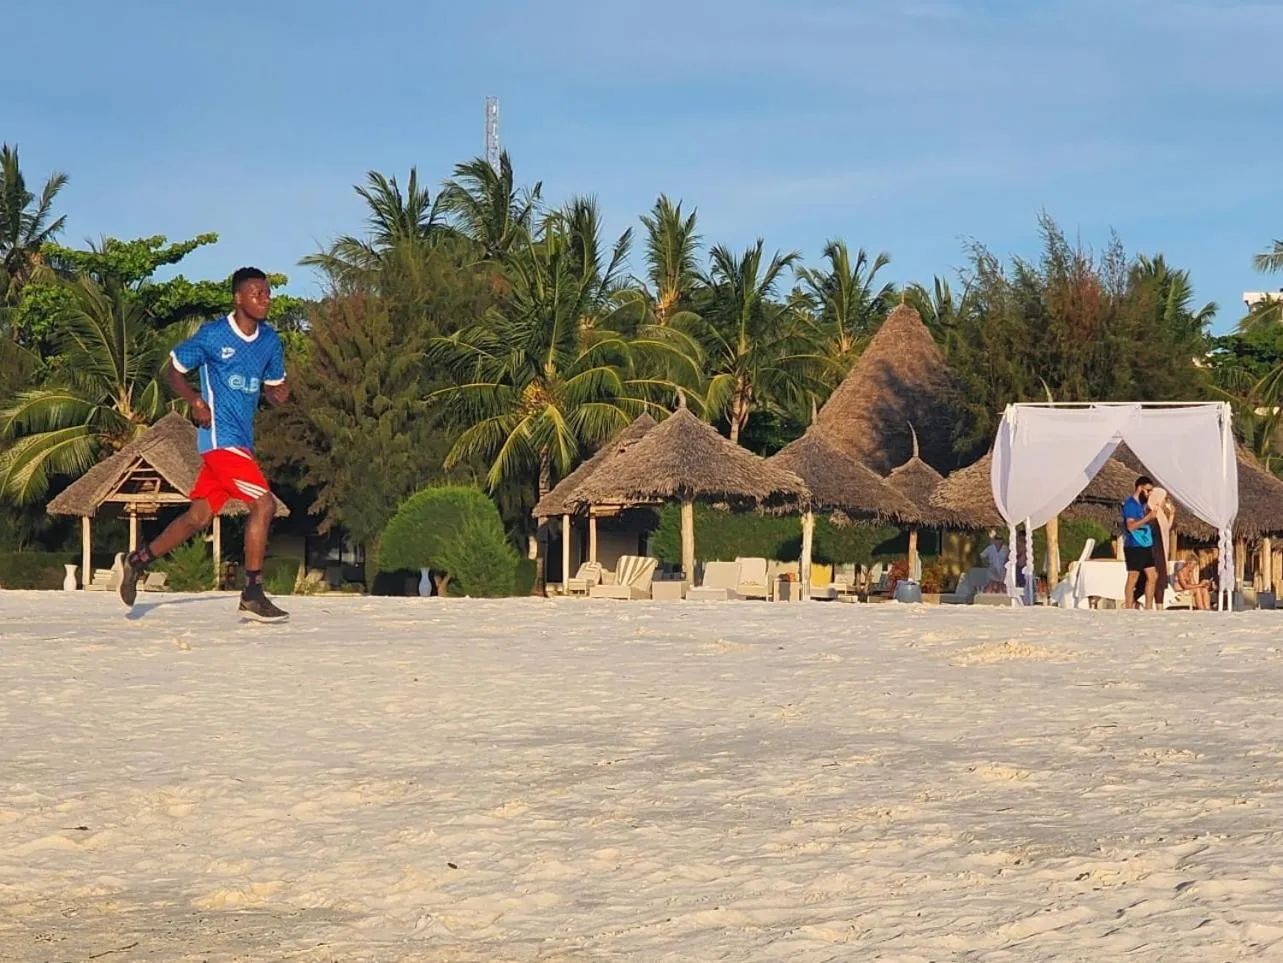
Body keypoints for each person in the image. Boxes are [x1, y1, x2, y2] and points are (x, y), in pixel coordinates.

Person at [118, 268, 290, 622]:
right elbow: (173, 370)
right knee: (263, 505)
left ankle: (137, 561)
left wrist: (278, 395)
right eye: (257, 293)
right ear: (238, 298)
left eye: (267, 293)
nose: (265, 299)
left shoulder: (270, 341)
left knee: (198, 517)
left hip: (242, 441)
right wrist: (195, 401)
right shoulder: (213, 335)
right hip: (218, 438)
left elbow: (274, 389)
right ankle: (253, 592)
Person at [1122, 475, 1158, 610]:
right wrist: (1148, 518)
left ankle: (1149, 607)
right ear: (1140, 488)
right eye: (1148, 490)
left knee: (1153, 575)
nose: (1149, 494)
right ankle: (1128, 606)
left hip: (1145, 544)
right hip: (1134, 545)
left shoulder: (1142, 505)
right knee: (1133, 577)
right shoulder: (1130, 504)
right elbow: (1131, 526)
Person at [1147, 487, 1177, 606]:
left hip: (1162, 550)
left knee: (1161, 577)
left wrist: (1172, 515)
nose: (1165, 501)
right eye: (1164, 498)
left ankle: (1159, 604)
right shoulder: (1151, 511)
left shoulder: (1160, 513)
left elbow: (1165, 529)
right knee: (1155, 577)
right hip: (1154, 550)